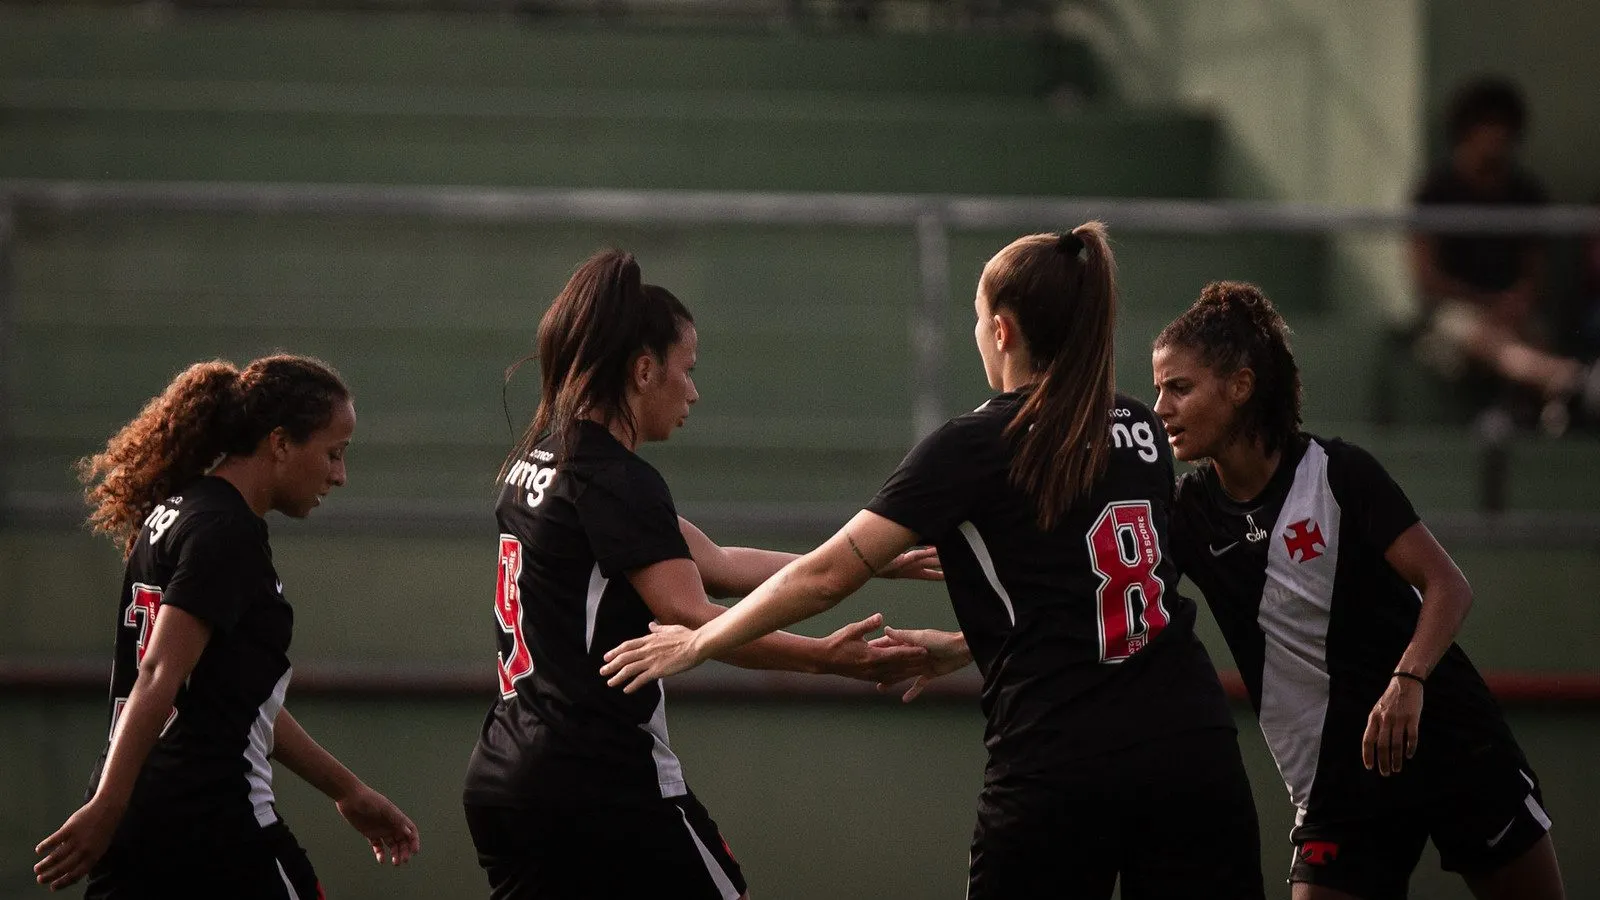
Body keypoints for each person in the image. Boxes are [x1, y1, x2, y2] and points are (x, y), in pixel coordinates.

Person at [600, 226, 1266, 900]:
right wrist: (961, 645)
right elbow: (1103, 601)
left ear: (1002, 331)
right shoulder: (1141, 429)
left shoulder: (975, 444)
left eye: (979, 320)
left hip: (1061, 757)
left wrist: (700, 641)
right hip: (1192, 744)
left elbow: (828, 574)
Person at [460, 249, 938, 900]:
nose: (693, 391)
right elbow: (695, 619)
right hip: (601, 777)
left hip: (505, 775)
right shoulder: (618, 481)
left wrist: (874, 558)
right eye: (686, 371)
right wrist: (828, 659)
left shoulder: (543, 461)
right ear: (644, 369)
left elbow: (715, 564)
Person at [1151, 281, 1566, 900]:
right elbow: (1119, 598)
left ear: (1240, 386)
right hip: (1337, 783)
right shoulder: (1187, 515)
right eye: (1158, 389)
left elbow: (1448, 586)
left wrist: (1408, 682)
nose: (1161, 408)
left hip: (1448, 735)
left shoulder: (1338, 472)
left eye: (1178, 388)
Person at [34, 355, 420, 896]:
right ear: (280, 443)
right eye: (333, 453)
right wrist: (106, 804)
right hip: (213, 822)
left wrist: (346, 789)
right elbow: (158, 671)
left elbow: (231, 697)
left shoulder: (178, 513)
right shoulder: (225, 532)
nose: (339, 475)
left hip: (146, 817)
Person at [1409, 75, 1599, 433]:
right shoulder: (1435, 191)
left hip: (1513, 311)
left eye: (1503, 126)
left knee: (1535, 332)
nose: (1496, 136)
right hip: (1451, 316)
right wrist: (1484, 301)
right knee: (1478, 333)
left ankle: (1544, 407)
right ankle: (1561, 378)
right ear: (1467, 130)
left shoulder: (1525, 191)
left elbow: (1534, 274)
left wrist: (1516, 300)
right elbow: (1426, 278)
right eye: (1487, 125)